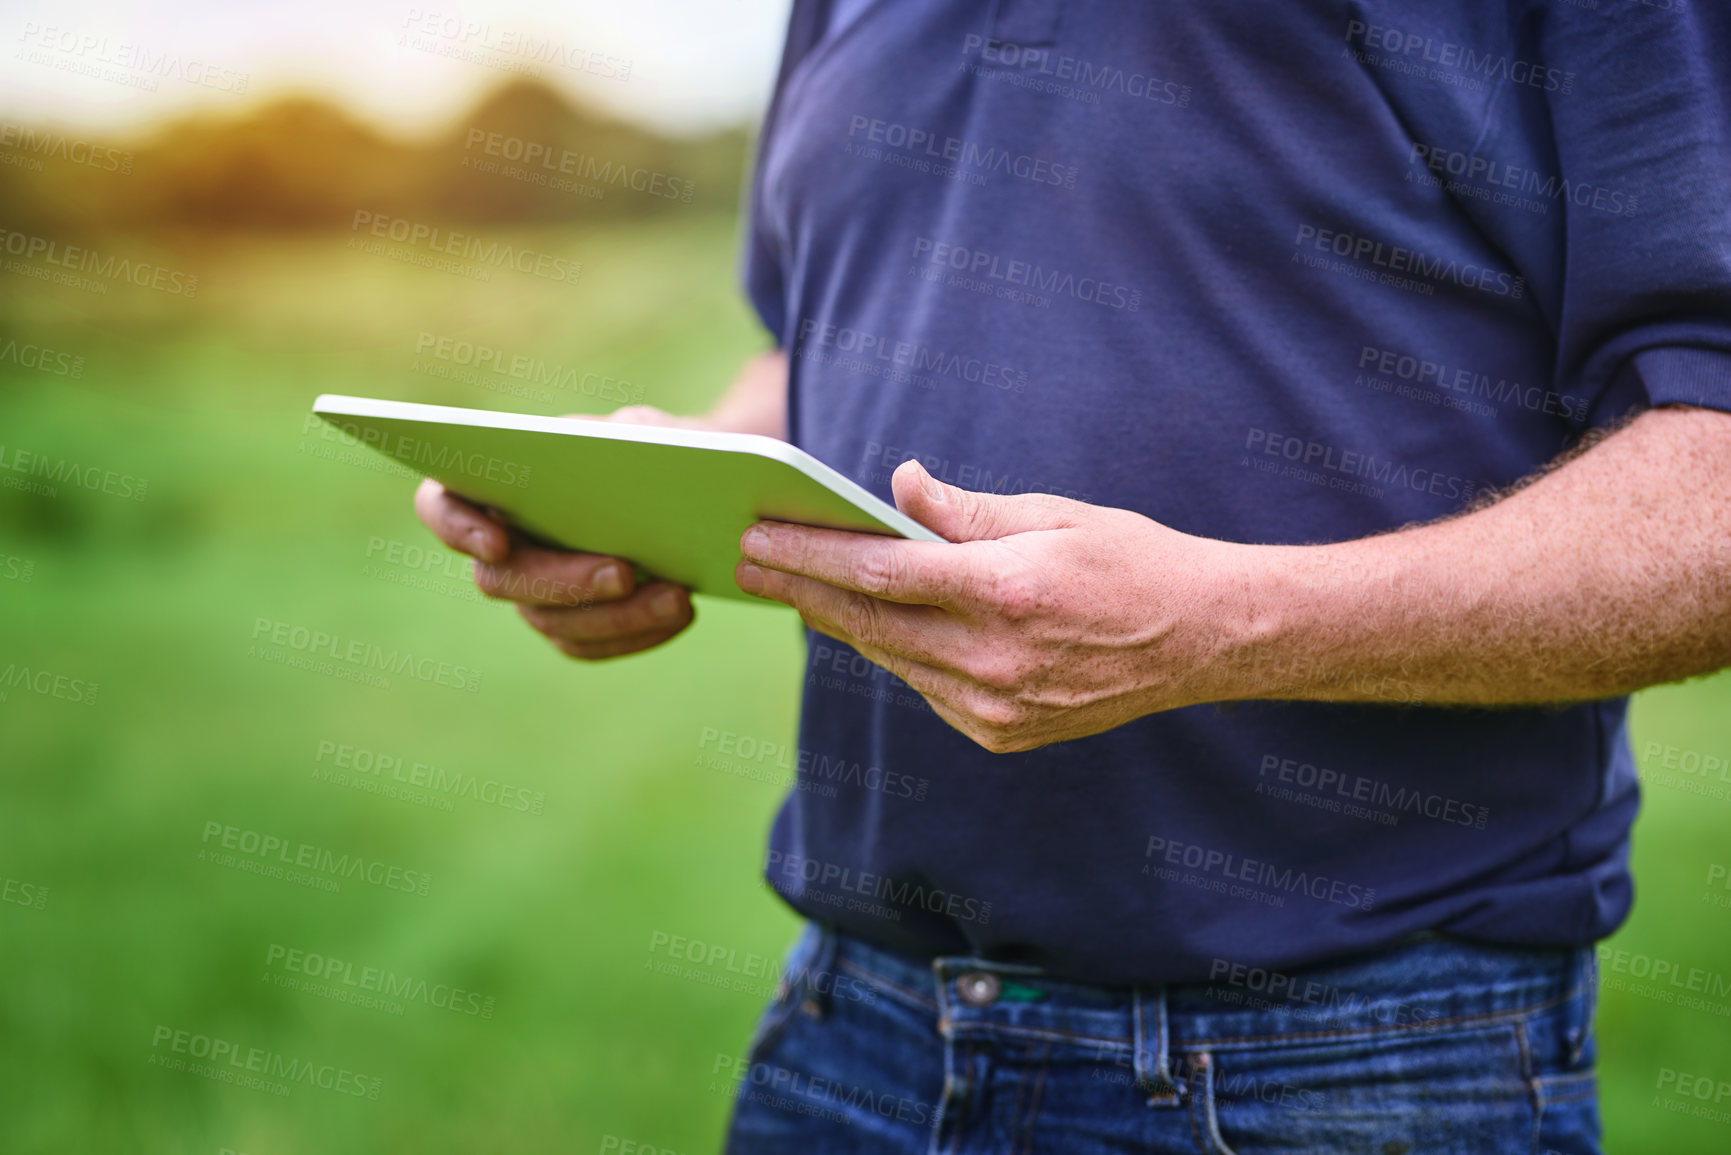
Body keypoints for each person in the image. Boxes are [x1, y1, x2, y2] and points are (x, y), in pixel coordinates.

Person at [415, 1, 1731, 1151]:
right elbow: (813, 354)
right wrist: (644, 496)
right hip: (855, 1025)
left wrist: (1223, 628)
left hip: (1347, 1059)